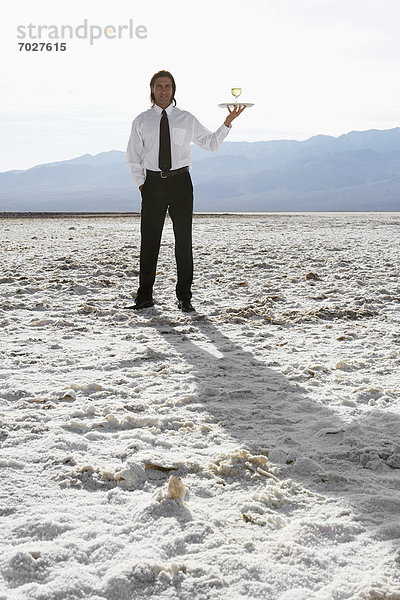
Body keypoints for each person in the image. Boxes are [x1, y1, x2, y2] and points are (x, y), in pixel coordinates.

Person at [125, 70, 246, 312]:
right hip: (153, 184)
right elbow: (133, 157)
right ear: (151, 90)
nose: (163, 90)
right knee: (149, 242)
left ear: (173, 90)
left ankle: (184, 297)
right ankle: (144, 296)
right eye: (159, 86)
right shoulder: (141, 121)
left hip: (181, 183)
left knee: (183, 242)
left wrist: (227, 123)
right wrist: (142, 184)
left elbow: (211, 143)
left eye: (168, 86)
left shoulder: (186, 119)